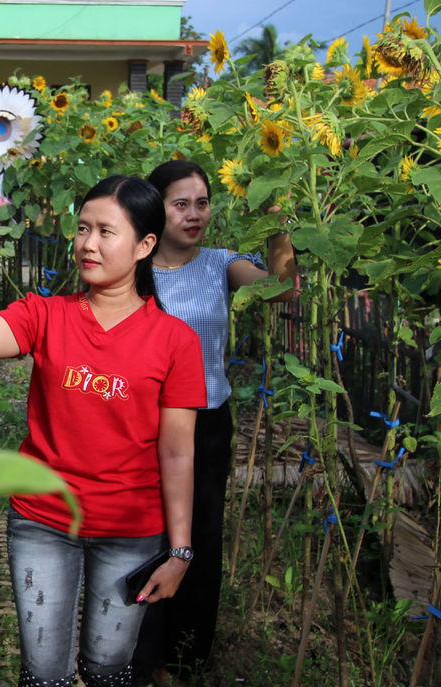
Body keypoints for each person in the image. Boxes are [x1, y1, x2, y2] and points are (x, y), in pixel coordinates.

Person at [0, 175, 206, 687]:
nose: (88, 244)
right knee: (44, 673)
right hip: (42, 523)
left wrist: (180, 550)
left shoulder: (175, 341)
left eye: (106, 232)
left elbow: (178, 454)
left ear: (145, 246)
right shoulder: (46, 316)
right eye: (82, 229)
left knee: (108, 670)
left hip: (131, 532)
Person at [130, 159, 296, 684]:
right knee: (139, 536)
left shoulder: (223, 264)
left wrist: (276, 222)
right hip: (139, 423)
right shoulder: (132, 267)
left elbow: (282, 290)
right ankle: (134, 651)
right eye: (181, 203)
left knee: (197, 539)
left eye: (202, 202)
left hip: (204, 424)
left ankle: (181, 658)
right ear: (157, 207)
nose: (194, 213)